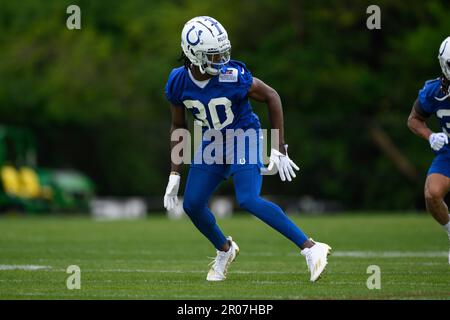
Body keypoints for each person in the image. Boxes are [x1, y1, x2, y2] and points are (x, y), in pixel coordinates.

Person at [163, 16, 331, 281]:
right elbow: (178, 126)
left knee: (248, 199)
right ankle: (225, 250)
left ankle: (311, 248)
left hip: (244, 135)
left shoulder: (232, 75)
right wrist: (175, 173)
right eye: (213, 55)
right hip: (213, 140)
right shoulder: (178, 81)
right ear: (193, 54)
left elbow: (271, 96)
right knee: (192, 204)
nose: (221, 60)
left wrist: (279, 145)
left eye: (222, 53)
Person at [407, 36, 450, 264]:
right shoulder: (434, 91)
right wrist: (430, 135)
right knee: (432, 194)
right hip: (449, 152)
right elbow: (414, 120)